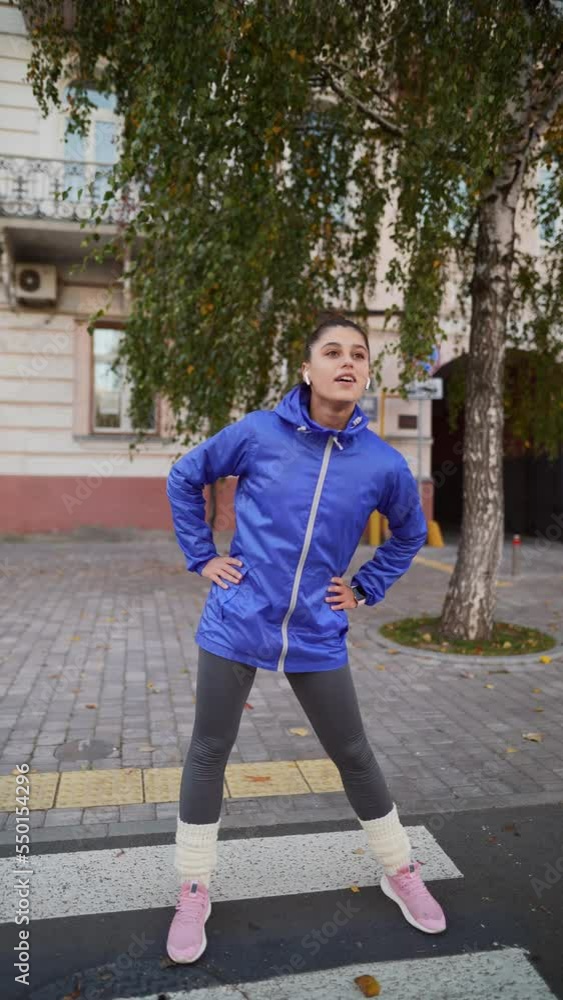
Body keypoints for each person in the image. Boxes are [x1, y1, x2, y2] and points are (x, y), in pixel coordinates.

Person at [165, 313, 446, 964]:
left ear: (366, 373)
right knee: (209, 750)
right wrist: (202, 556)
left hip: (317, 630)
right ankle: (193, 885)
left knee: (353, 753)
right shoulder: (259, 433)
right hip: (238, 618)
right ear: (306, 368)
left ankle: (398, 869)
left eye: (358, 354)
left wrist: (367, 586)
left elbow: (408, 532)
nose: (347, 362)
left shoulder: (382, 463)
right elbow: (185, 475)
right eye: (332, 352)